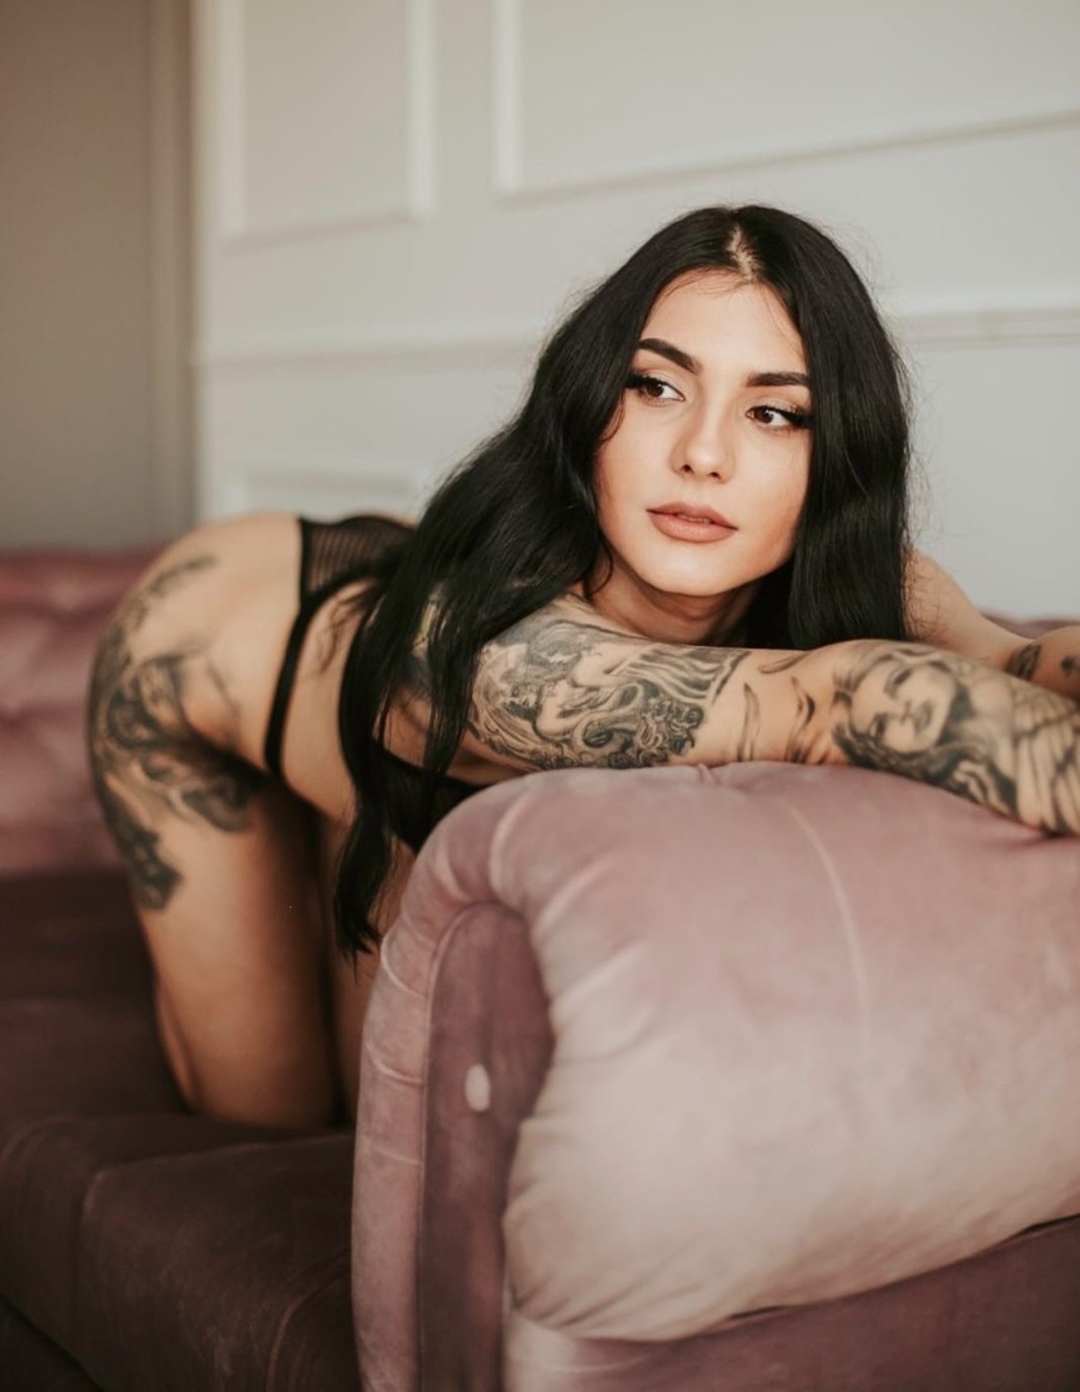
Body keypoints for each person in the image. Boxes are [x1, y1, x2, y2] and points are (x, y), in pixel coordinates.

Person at [86, 205, 1080, 1130]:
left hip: (437, 603)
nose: (703, 454)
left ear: (838, 454)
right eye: (657, 386)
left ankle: (349, 785)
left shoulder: (873, 576)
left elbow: (1025, 662)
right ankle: (336, 779)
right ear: (592, 400)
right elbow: (839, 699)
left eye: (775, 412)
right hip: (212, 645)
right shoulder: (505, 661)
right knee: (277, 1112)